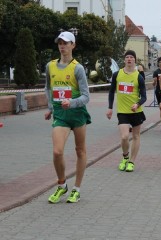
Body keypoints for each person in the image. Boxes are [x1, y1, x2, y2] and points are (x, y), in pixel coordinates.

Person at [45, 31, 91, 203]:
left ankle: (76, 189)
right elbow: (48, 88)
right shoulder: (50, 66)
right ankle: (62, 184)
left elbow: (86, 96)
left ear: (73, 45)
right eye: (60, 43)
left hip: (77, 114)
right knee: (57, 151)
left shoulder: (77, 68)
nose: (62, 46)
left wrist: (71, 103)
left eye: (66, 43)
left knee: (80, 150)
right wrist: (50, 107)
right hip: (60, 114)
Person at [106, 50, 147, 172]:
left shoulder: (138, 76)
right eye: (127, 57)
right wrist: (110, 108)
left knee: (135, 136)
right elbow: (111, 92)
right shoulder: (117, 75)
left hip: (136, 111)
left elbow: (144, 96)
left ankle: (132, 162)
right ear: (124, 60)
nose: (129, 59)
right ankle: (125, 157)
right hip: (122, 111)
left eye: (131, 57)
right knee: (124, 137)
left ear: (135, 60)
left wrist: (137, 104)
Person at [153, 57, 161, 131]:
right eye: (159, 62)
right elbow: (154, 83)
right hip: (158, 91)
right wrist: (154, 82)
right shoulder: (156, 72)